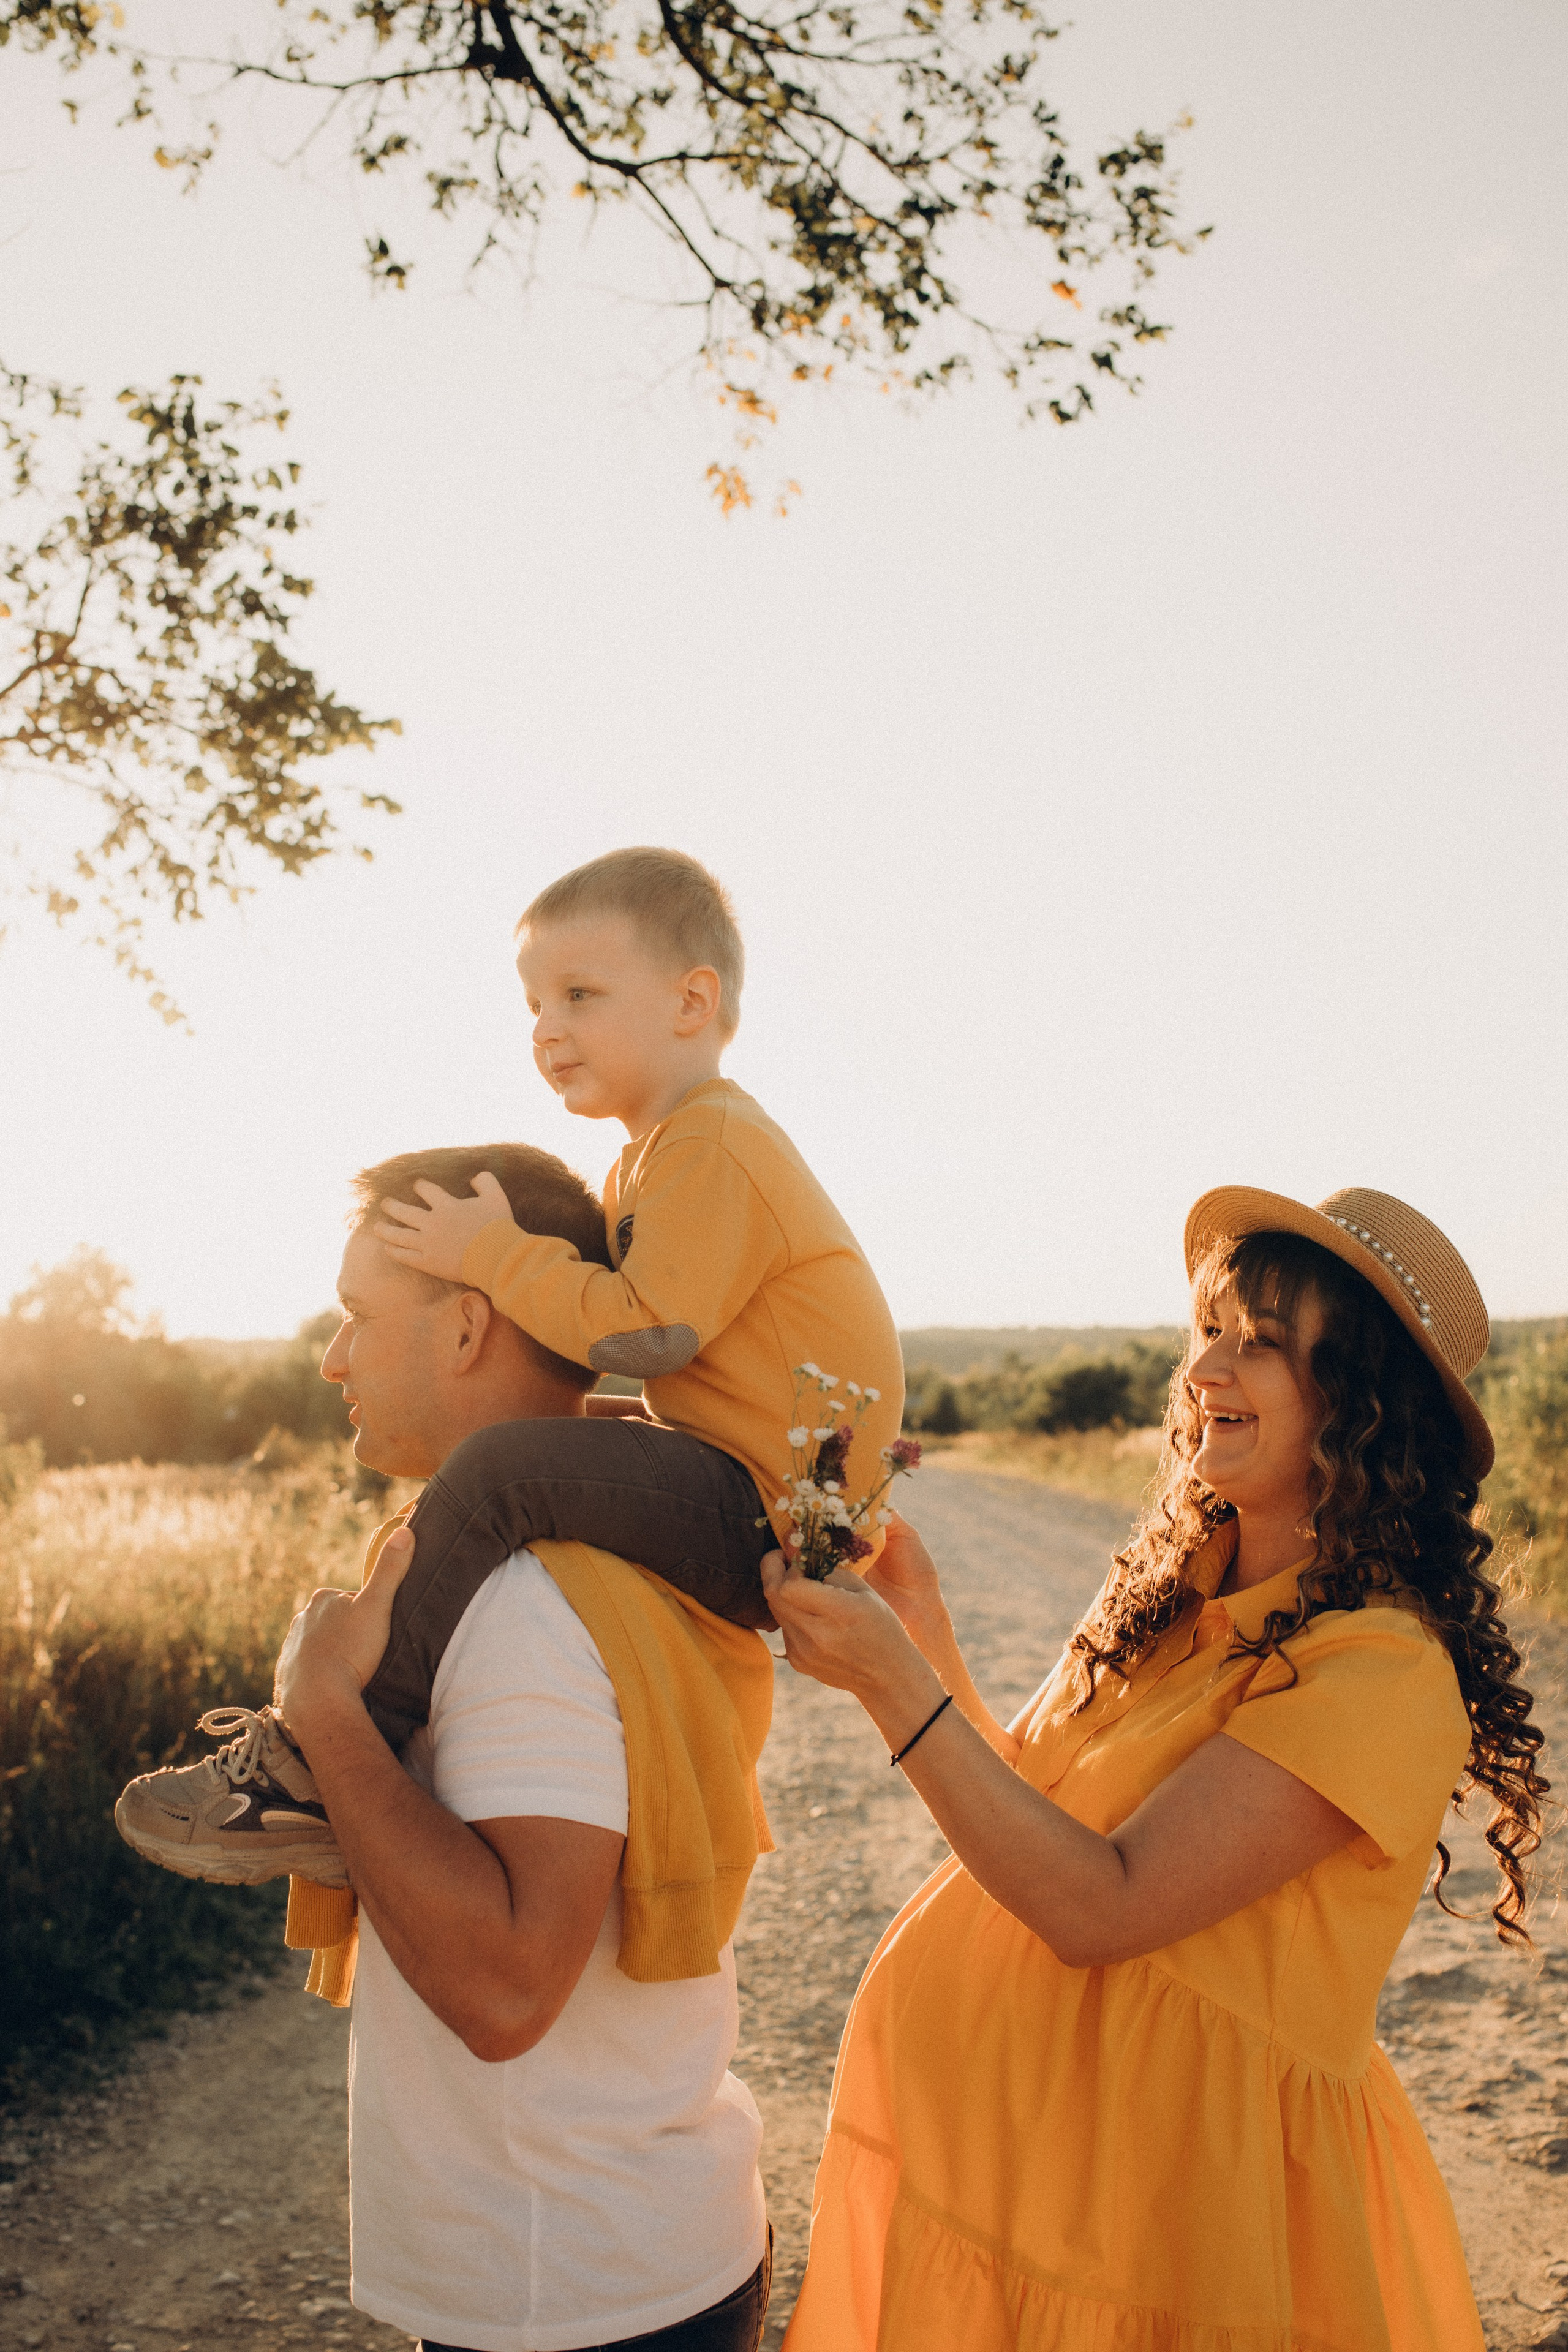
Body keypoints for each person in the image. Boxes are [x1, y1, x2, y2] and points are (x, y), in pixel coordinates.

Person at [764, 1185, 1545, 2352]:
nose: (1206, 1371)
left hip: (1177, 2222)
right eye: (1212, 1333)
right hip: (1017, 2179)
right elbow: (1033, 1813)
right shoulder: (1178, 1589)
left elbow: (1102, 1902)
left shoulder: (1384, 1668)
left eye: (1263, 1345)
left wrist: (894, 1686)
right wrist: (921, 1633)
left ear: (1366, 1403)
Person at [119, 845, 903, 1885]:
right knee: (545, 1448)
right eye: (534, 1001)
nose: (547, 1027)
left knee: (500, 1469)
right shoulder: (658, 1153)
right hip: (754, 1477)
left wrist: (491, 1254)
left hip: (775, 1507)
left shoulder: (713, 1143)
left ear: (692, 999)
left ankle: (320, 1761)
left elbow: (645, 1338)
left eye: (580, 993)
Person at [151, 1143, 776, 2352]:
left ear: (464, 1330)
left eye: (355, 1317)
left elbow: (504, 1989)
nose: (330, 1355)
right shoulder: (562, 1567)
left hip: (577, 2298)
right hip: (610, 2267)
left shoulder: (526, 1602)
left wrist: (321, 1709)